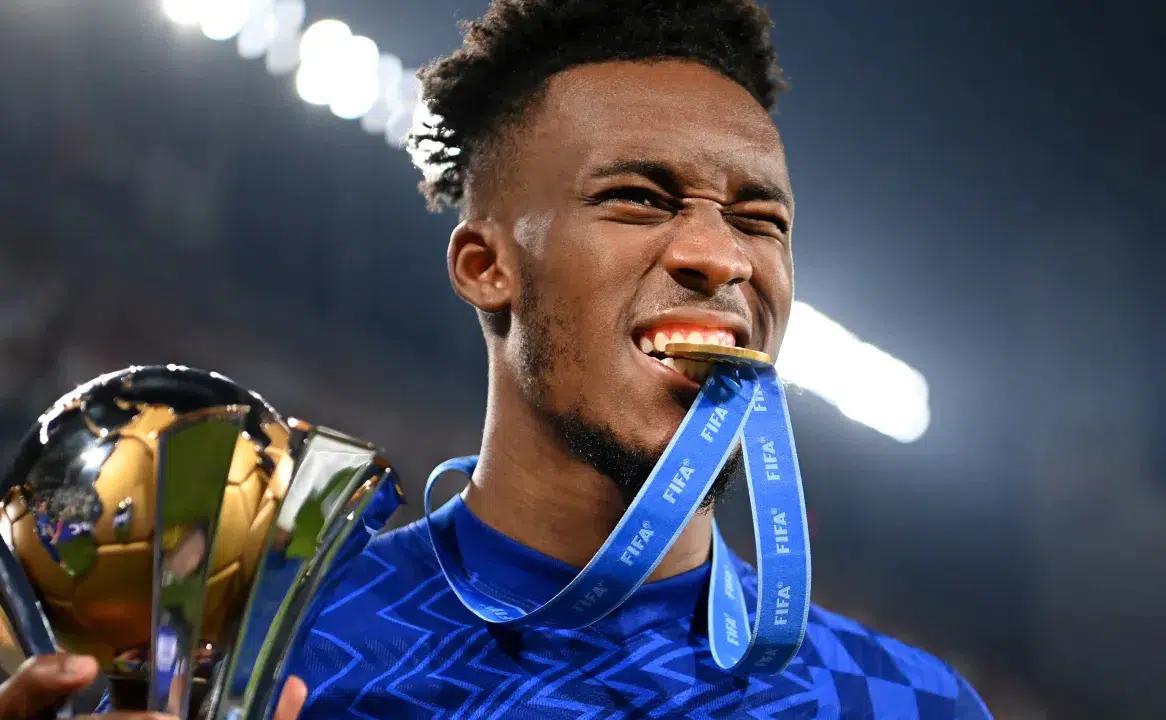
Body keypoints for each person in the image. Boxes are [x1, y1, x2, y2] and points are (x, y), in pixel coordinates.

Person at [1, 0, 993, 718]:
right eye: (639, 199)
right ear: (486, 266)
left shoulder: (907, 702)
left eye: (759, 218)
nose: (719, 256)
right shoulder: (268, 661)